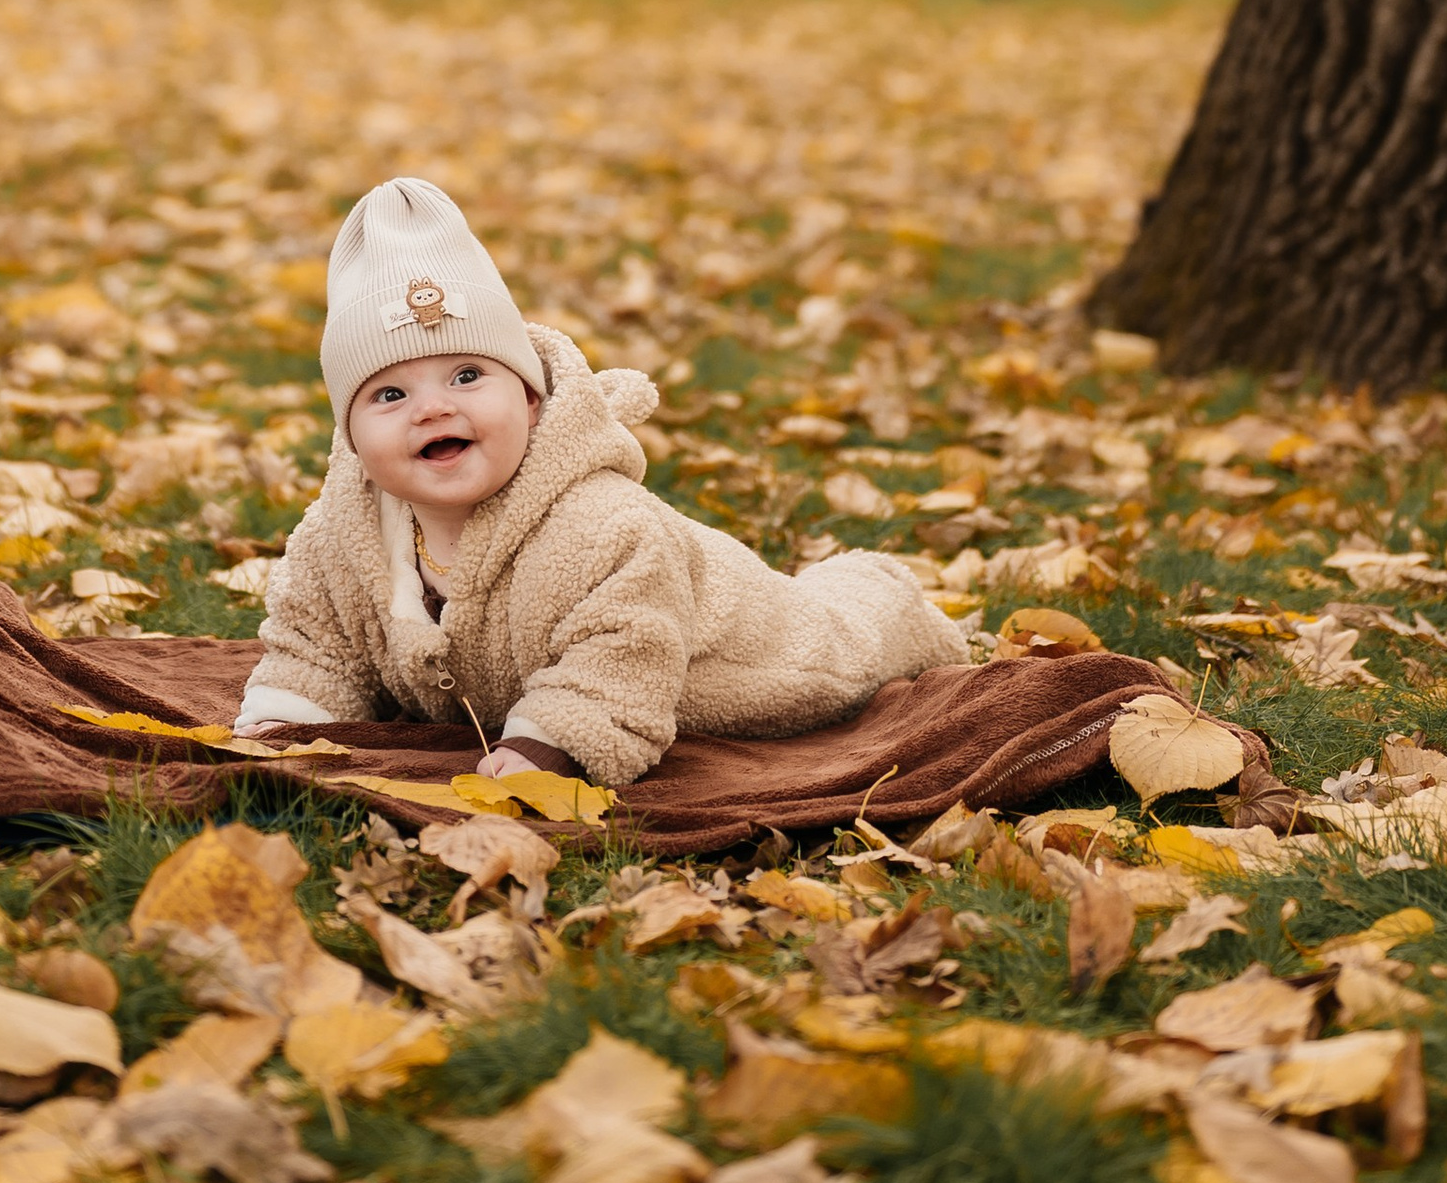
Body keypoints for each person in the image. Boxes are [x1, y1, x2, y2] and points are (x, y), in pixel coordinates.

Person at [234, 175, 967, 789]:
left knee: (845, 640)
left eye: (467, 375)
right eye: (389, 396)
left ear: (530, 399)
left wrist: (550, 744)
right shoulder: (340, 539)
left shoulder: (604, 528)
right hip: (577, 658)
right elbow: (314, 641)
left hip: (751, 648)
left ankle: (884, 592)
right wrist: (286, 717)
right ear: (353, 441)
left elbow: (624, 653)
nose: (434, 406)